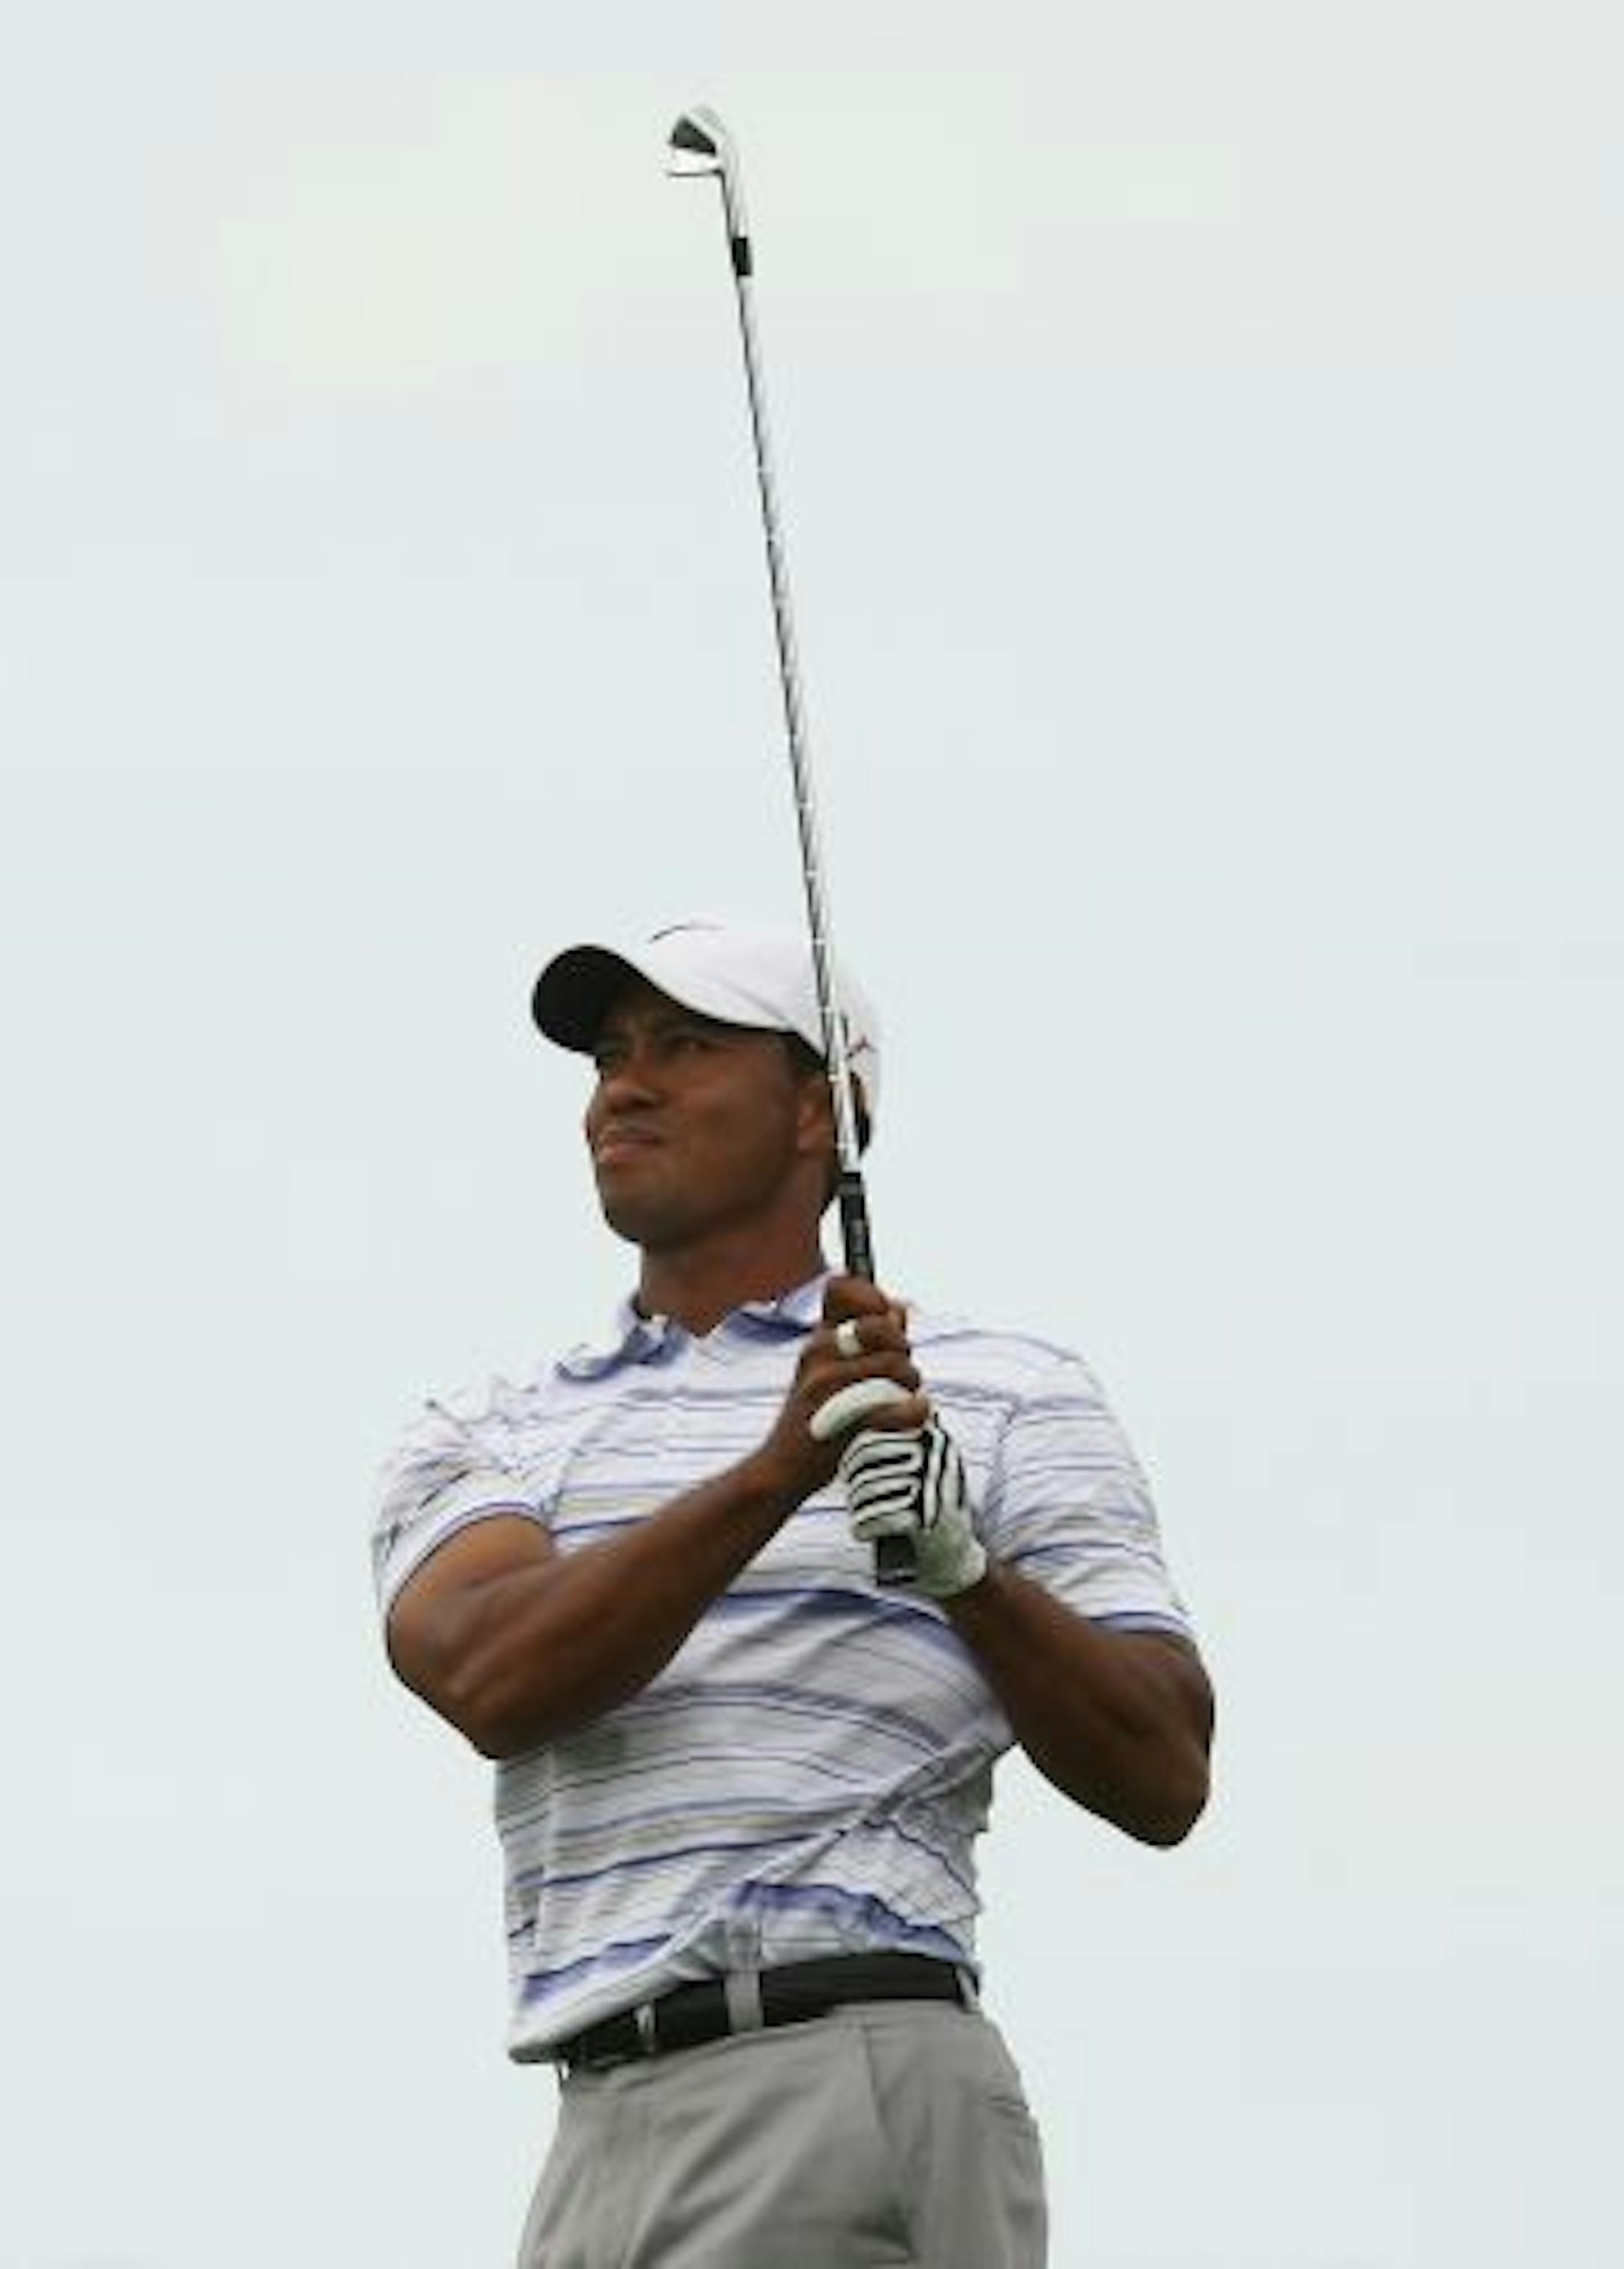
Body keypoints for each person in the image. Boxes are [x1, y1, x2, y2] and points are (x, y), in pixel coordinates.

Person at [372, 916, 1213, 2269]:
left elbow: (1164, 1766)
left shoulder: (1008, 1394)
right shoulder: (496, 1427)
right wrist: (779, 1473)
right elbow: (490, 1675)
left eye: (686, 1047)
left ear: (818, 1112)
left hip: (846, 2065)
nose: (624, 1087)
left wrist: (965, 1571)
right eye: (609, 1055)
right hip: (595, 2116)